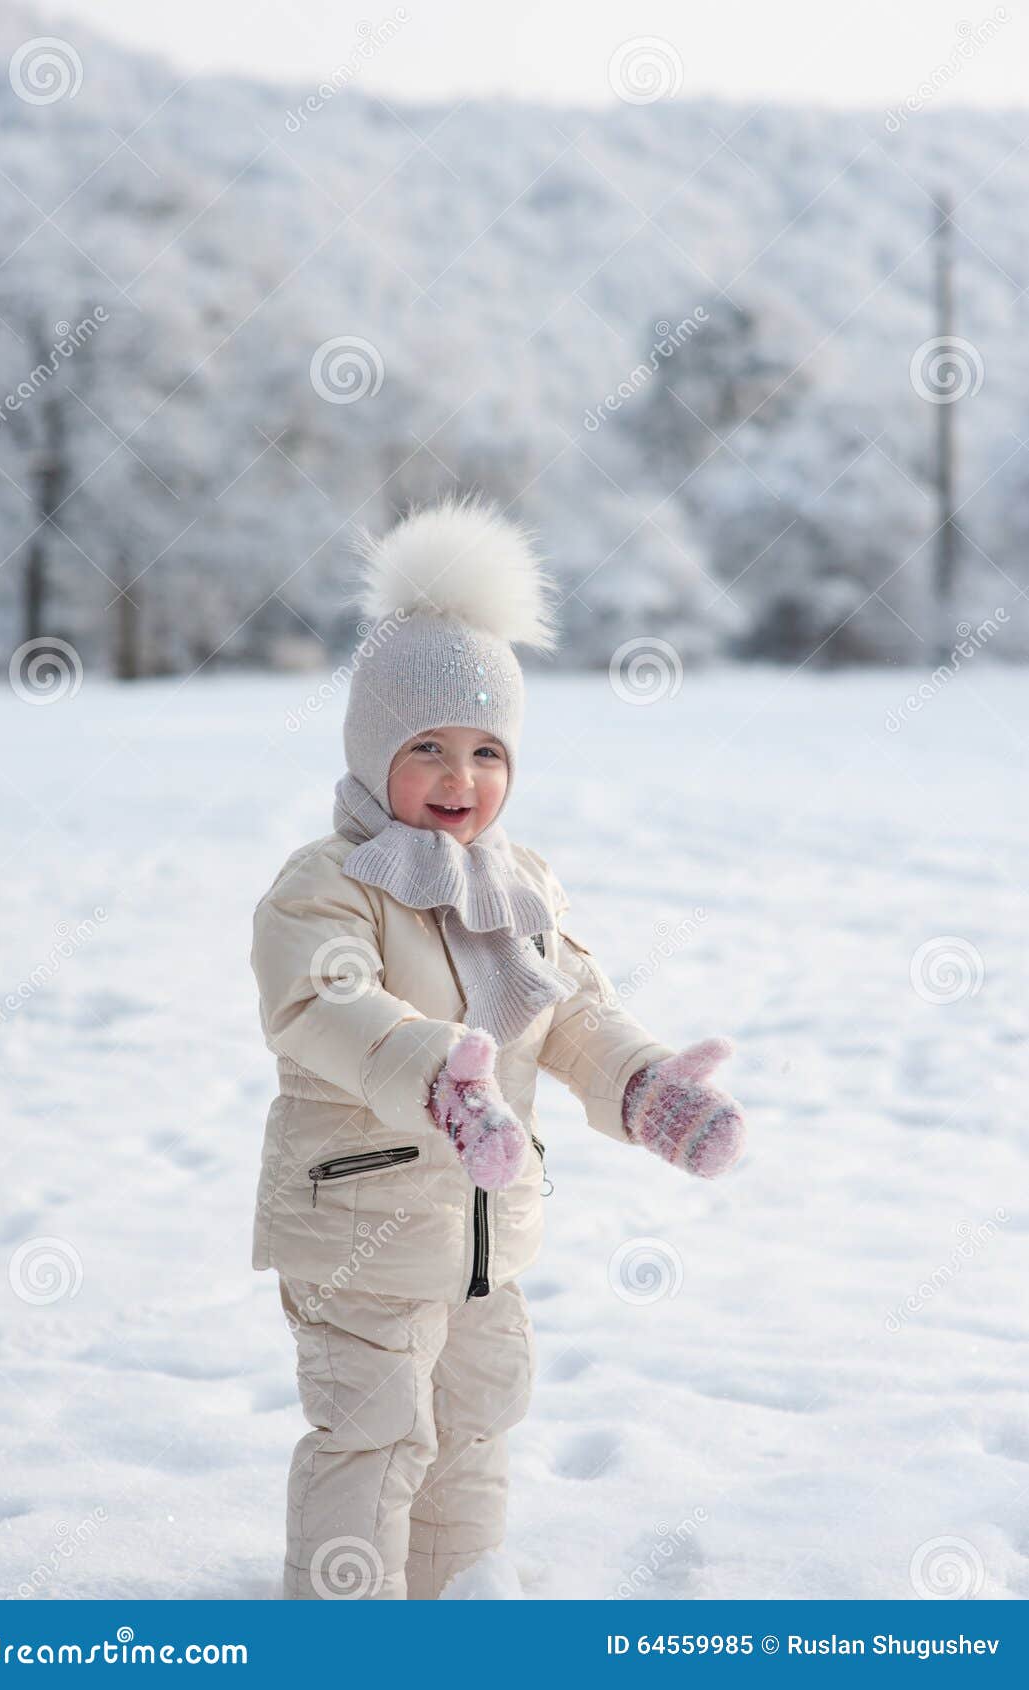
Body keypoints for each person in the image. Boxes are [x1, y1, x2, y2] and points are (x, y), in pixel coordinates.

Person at [249, 492, 747, 1600]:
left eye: (486, 752)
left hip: (486, 1236)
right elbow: (323, 1007)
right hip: (360, 1230)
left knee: (475, 1423)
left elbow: (566, 1009)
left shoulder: (517, 885)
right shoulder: (325, 888)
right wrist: (436, 1072)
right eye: (427, 748)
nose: (461, 779)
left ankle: (460, 1604)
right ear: (374, 752)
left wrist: (646, 1085)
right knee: (373, 1436)